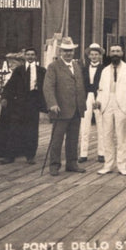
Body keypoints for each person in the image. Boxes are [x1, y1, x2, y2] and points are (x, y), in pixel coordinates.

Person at [0, 49, 46, 164]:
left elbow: (46, 87)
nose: (30, 57)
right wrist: (5, 97)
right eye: (28, 55)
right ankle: (10, 156)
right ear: (25, 56)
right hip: (19, 104)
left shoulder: (41, 71)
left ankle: (30, 156)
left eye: (32, 55)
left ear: (35, 57)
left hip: (33, 103)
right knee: (14, 129)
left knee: (32, 130)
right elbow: (10, 85)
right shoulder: (18, 70)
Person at [96, 45, 126, 176]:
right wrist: (98, 101)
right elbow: (100, 90)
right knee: (107, 136)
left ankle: (122, 166)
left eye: (118, 51)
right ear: (109, 54)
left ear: (122, 53)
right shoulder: (105, 70)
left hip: (122, 106)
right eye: (113, 51)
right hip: (107, 105)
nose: (115, 54)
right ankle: (108, 165)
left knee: (121, 137)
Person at [42, 37, 88, 176]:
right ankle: (54, 165)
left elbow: (80, 85)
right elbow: (48, 87)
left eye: (71, 51)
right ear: (60, 51)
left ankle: (72, 163)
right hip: (61, 109)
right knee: (57, 138)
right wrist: (52, 104)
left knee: (73, 138)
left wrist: (82, 103)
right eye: (65, 51)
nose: (68, 53)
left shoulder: (76, 66)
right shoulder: (53, 66)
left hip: (76, 109)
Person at [79, 43, 107, 164]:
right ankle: (83, 154)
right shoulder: (83, 68)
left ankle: (102, 153)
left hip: (99, 96)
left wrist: (100, 99)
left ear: (100, 56)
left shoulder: (105, 69)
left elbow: (105, 85)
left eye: (96, 54)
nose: (94, 56)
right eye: (92, 54)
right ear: (89, 56)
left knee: (101, 124)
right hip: (86, 97)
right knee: (84, 125)